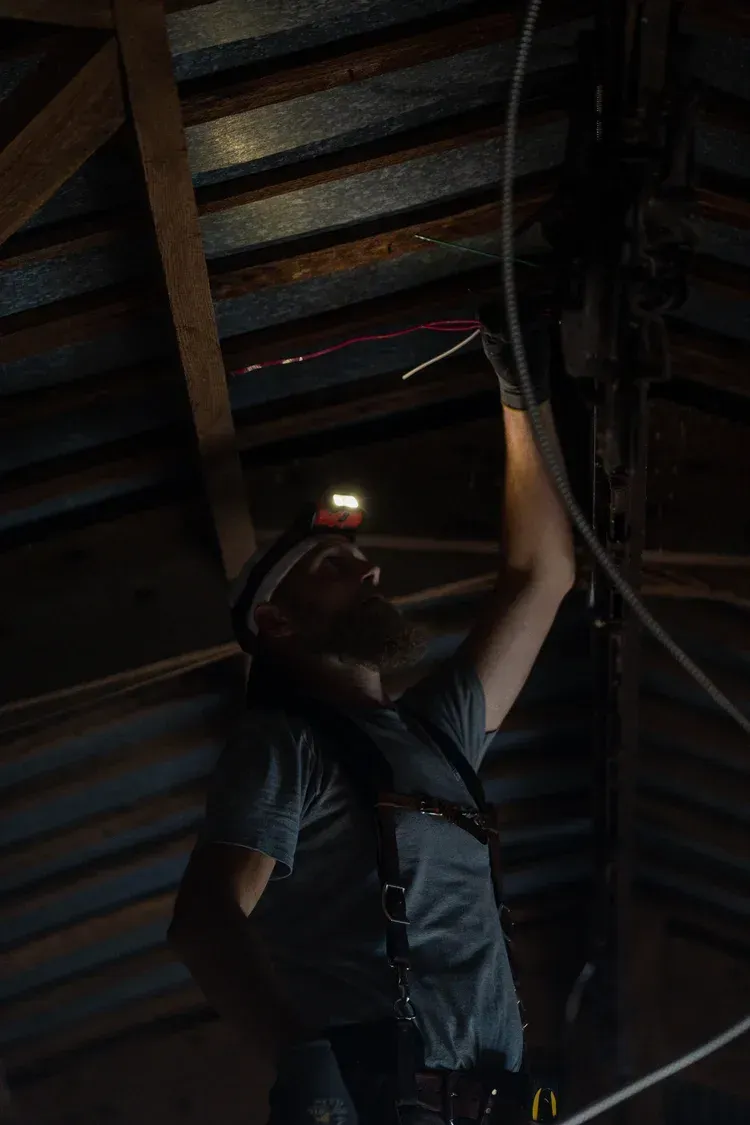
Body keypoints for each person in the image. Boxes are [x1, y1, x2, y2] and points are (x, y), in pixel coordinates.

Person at [168, 306, 576, 1125]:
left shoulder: (437, 732)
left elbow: (543, 575)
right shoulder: (285, 745)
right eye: (334, 564)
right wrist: (303, 1063)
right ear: (277, 623)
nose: (370, 566)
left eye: (359, 556)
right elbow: (204, 918)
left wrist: (520, 391)